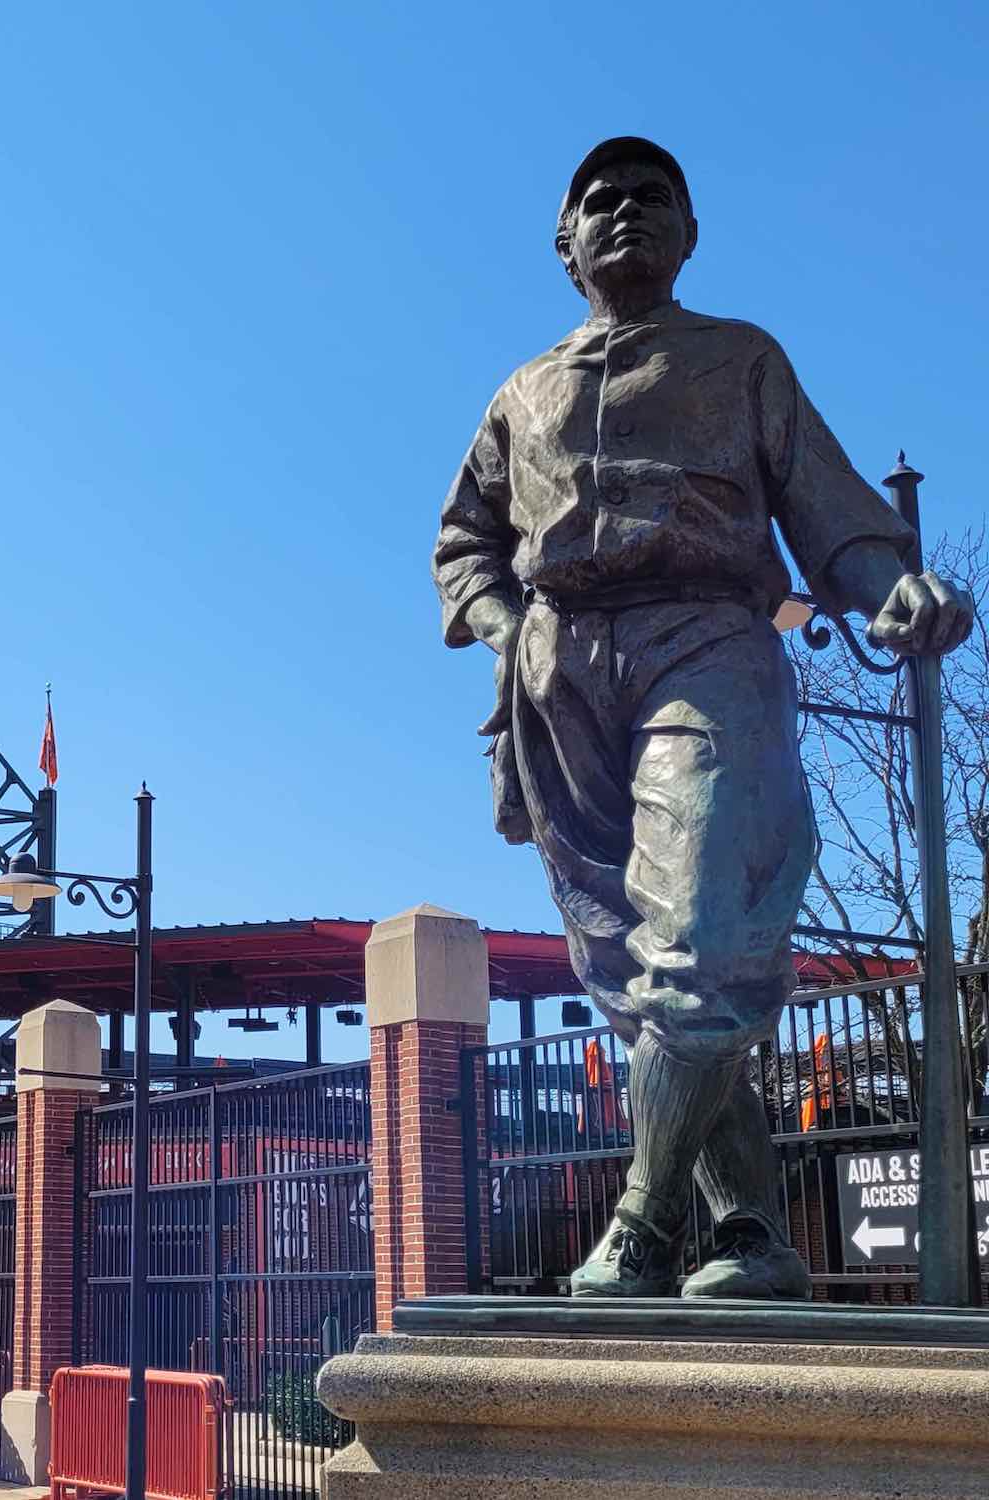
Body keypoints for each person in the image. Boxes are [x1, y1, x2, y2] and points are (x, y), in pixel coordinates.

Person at [432, 138, 974, 1299]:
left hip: (706, 643)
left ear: (686, 236)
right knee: (630, 970)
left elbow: (826, 505)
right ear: (563, 245)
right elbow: (462, 542)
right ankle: (750, 1236)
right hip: (560, 671)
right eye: (599, 198)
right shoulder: (518, 393)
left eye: (652, 198)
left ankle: (639, 1226)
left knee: (691, 942)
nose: (625, 210)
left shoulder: (740, 360)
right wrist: (504, 627)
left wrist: (889, 588)